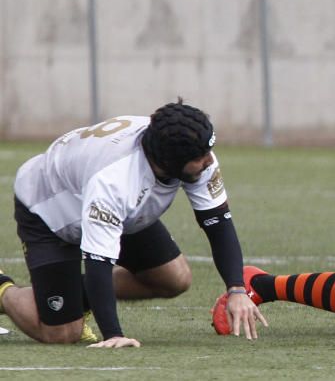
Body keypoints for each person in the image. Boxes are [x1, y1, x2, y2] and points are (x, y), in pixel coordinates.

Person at [0, 101, 266, 347]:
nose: (209, 160)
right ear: (168, 162)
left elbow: (218, 223)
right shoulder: (115, 180)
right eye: (201, 156)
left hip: (115, 208)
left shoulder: (181, 145)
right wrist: (114, 335)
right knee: (62, 334)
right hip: (49, 211)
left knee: (175, 278)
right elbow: (98, 260)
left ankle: (74, 294)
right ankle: (3, 288)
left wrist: (236, 289)